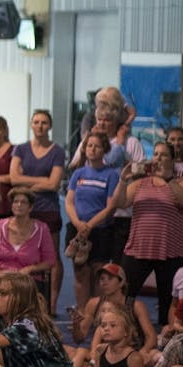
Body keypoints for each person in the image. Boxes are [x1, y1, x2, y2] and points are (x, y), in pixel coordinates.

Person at [115, 141, 183, 328]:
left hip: (171, 251)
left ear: (173, 159)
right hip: (138, 248)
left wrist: (168, 180)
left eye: (164, 155)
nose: (158, 158)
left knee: (168, 301)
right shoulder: (140, 183)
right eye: (156, 154)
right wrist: (123, 179)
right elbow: (119, 203)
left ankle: (165, 337)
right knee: (126, 294)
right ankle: (127, 331)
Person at [10, 109, 67, 308]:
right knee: (25, 253)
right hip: (24, 209)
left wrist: (27, 184)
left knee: (52, 257)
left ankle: (51, 303)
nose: (40, 126)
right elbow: (13, 178)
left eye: (44, 122)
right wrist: (41, 180)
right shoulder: (20, 149)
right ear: (31, 124)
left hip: (48, 208)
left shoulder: (57, 151)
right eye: (36, 122)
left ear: (49, 126)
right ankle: (27, 299)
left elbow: (54, 184)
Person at [65, 131, 122, 310]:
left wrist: (90, 225)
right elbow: (69, 201)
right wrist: (78, 224)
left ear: (104, 149)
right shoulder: (78, 173)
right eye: (89, 145)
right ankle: (82, 313)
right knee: (81, 274)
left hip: (100, 231)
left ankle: (98, 314)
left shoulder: (111, 174)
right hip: (78, 229)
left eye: (97, 146)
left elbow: (110, 207)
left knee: (99, 276)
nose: (92, 149)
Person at [0, 187, 57, 296]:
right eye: (15, 202)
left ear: (30, 207)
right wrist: (0, 275)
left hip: (29, 278)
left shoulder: (42, 229)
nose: (18, 205)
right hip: (2, 275)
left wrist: (30, 268)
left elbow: (50, 261)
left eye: (23, 202)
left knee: (21, 292)